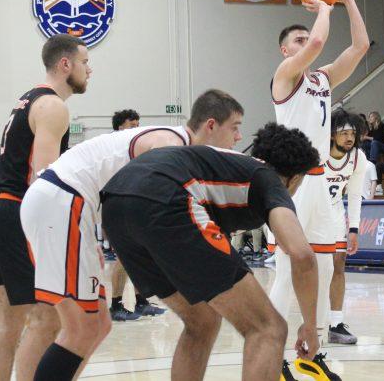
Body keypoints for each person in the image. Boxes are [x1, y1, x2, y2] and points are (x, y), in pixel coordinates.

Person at [19, 90, 241, 380]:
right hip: (63, 200)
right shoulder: (170, 142)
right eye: (235, 128)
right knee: (80, 327)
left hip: (68, 205)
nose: (238, 138)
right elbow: (152, 208)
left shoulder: (175, 145)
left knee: (98, 324)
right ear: (211, 125)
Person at [101, 124, 322, 381]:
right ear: (295, 178)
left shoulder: (230, 166)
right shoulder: (269, 179)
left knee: (202, 321)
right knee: (268, 328)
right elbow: (302, 255)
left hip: (115, 204)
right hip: (165, 194)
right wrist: (310, 326)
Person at [269, 0, 368, 381]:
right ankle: (272, 357)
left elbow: (360, 46)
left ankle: (314, 350)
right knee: (285, 274)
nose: (305, 41)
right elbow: (317, 45)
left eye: (305, 36)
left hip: (321, 183)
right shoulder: (284, 77)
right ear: (283, 50)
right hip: (290, 184)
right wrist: (324, 10)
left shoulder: (323, 79)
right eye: (297, 39)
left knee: (326, 270)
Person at [0, 35, 91, 381]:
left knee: (7, 325)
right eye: (85, 62)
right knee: (48, 320)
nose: (91, 69)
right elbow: (45, 181)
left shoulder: (27, 100)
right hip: (17, 214)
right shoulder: (53, 106)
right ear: (65, 64)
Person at [105, 108, 165, 322]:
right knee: (123, 259)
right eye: (132, 126)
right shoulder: (113, 148)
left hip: (134, 205)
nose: (137, 129)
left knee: (141, 256)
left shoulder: (134, 148)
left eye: (138, 125)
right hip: (115, 207)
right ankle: (115, 304)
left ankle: (142, 301)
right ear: (120, 127)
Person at [324, 110, 370, 346]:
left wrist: (354, 229)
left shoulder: (358, 158)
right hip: (308, 212)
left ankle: (335, 323)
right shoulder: (317, 152)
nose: (349, 138)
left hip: (333, 212)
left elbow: (354, 195)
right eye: (344, 133)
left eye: (353, 133)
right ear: (332, 135)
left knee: (337, 265)